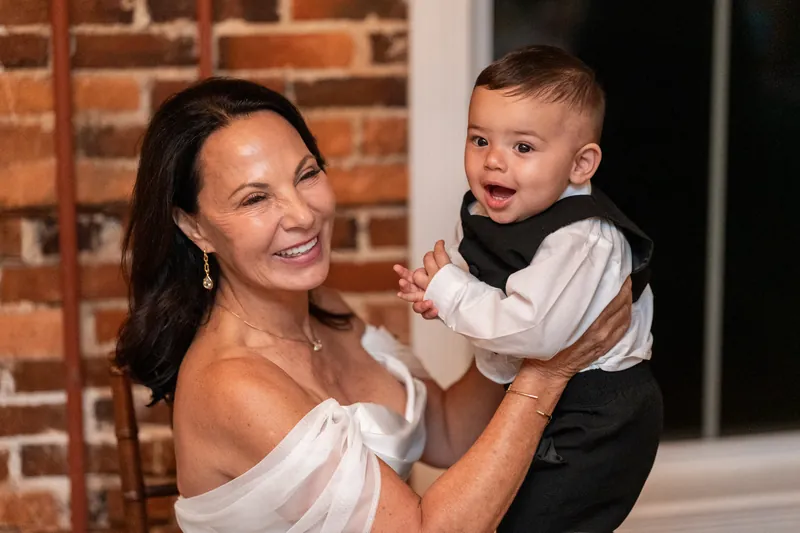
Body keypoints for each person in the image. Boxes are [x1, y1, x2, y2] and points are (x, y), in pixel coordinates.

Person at [115, 77, 634, 533]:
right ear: (195, 227)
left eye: (307, 174)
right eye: (255, 198)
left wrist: (529, 307)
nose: (302, 214)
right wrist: (547, 371)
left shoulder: (325, 309)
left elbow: (450, 433)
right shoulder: (232, 385)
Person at [395, 45, 663, 532]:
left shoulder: (582, 239)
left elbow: (535, 331)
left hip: (598, 413)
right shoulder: (489, 211)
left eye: (522, 147)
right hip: (538, 393)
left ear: (581, 165)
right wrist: (437, 290)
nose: (494, 161)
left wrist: (455, 294)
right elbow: (479, 267)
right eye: (480, 140)